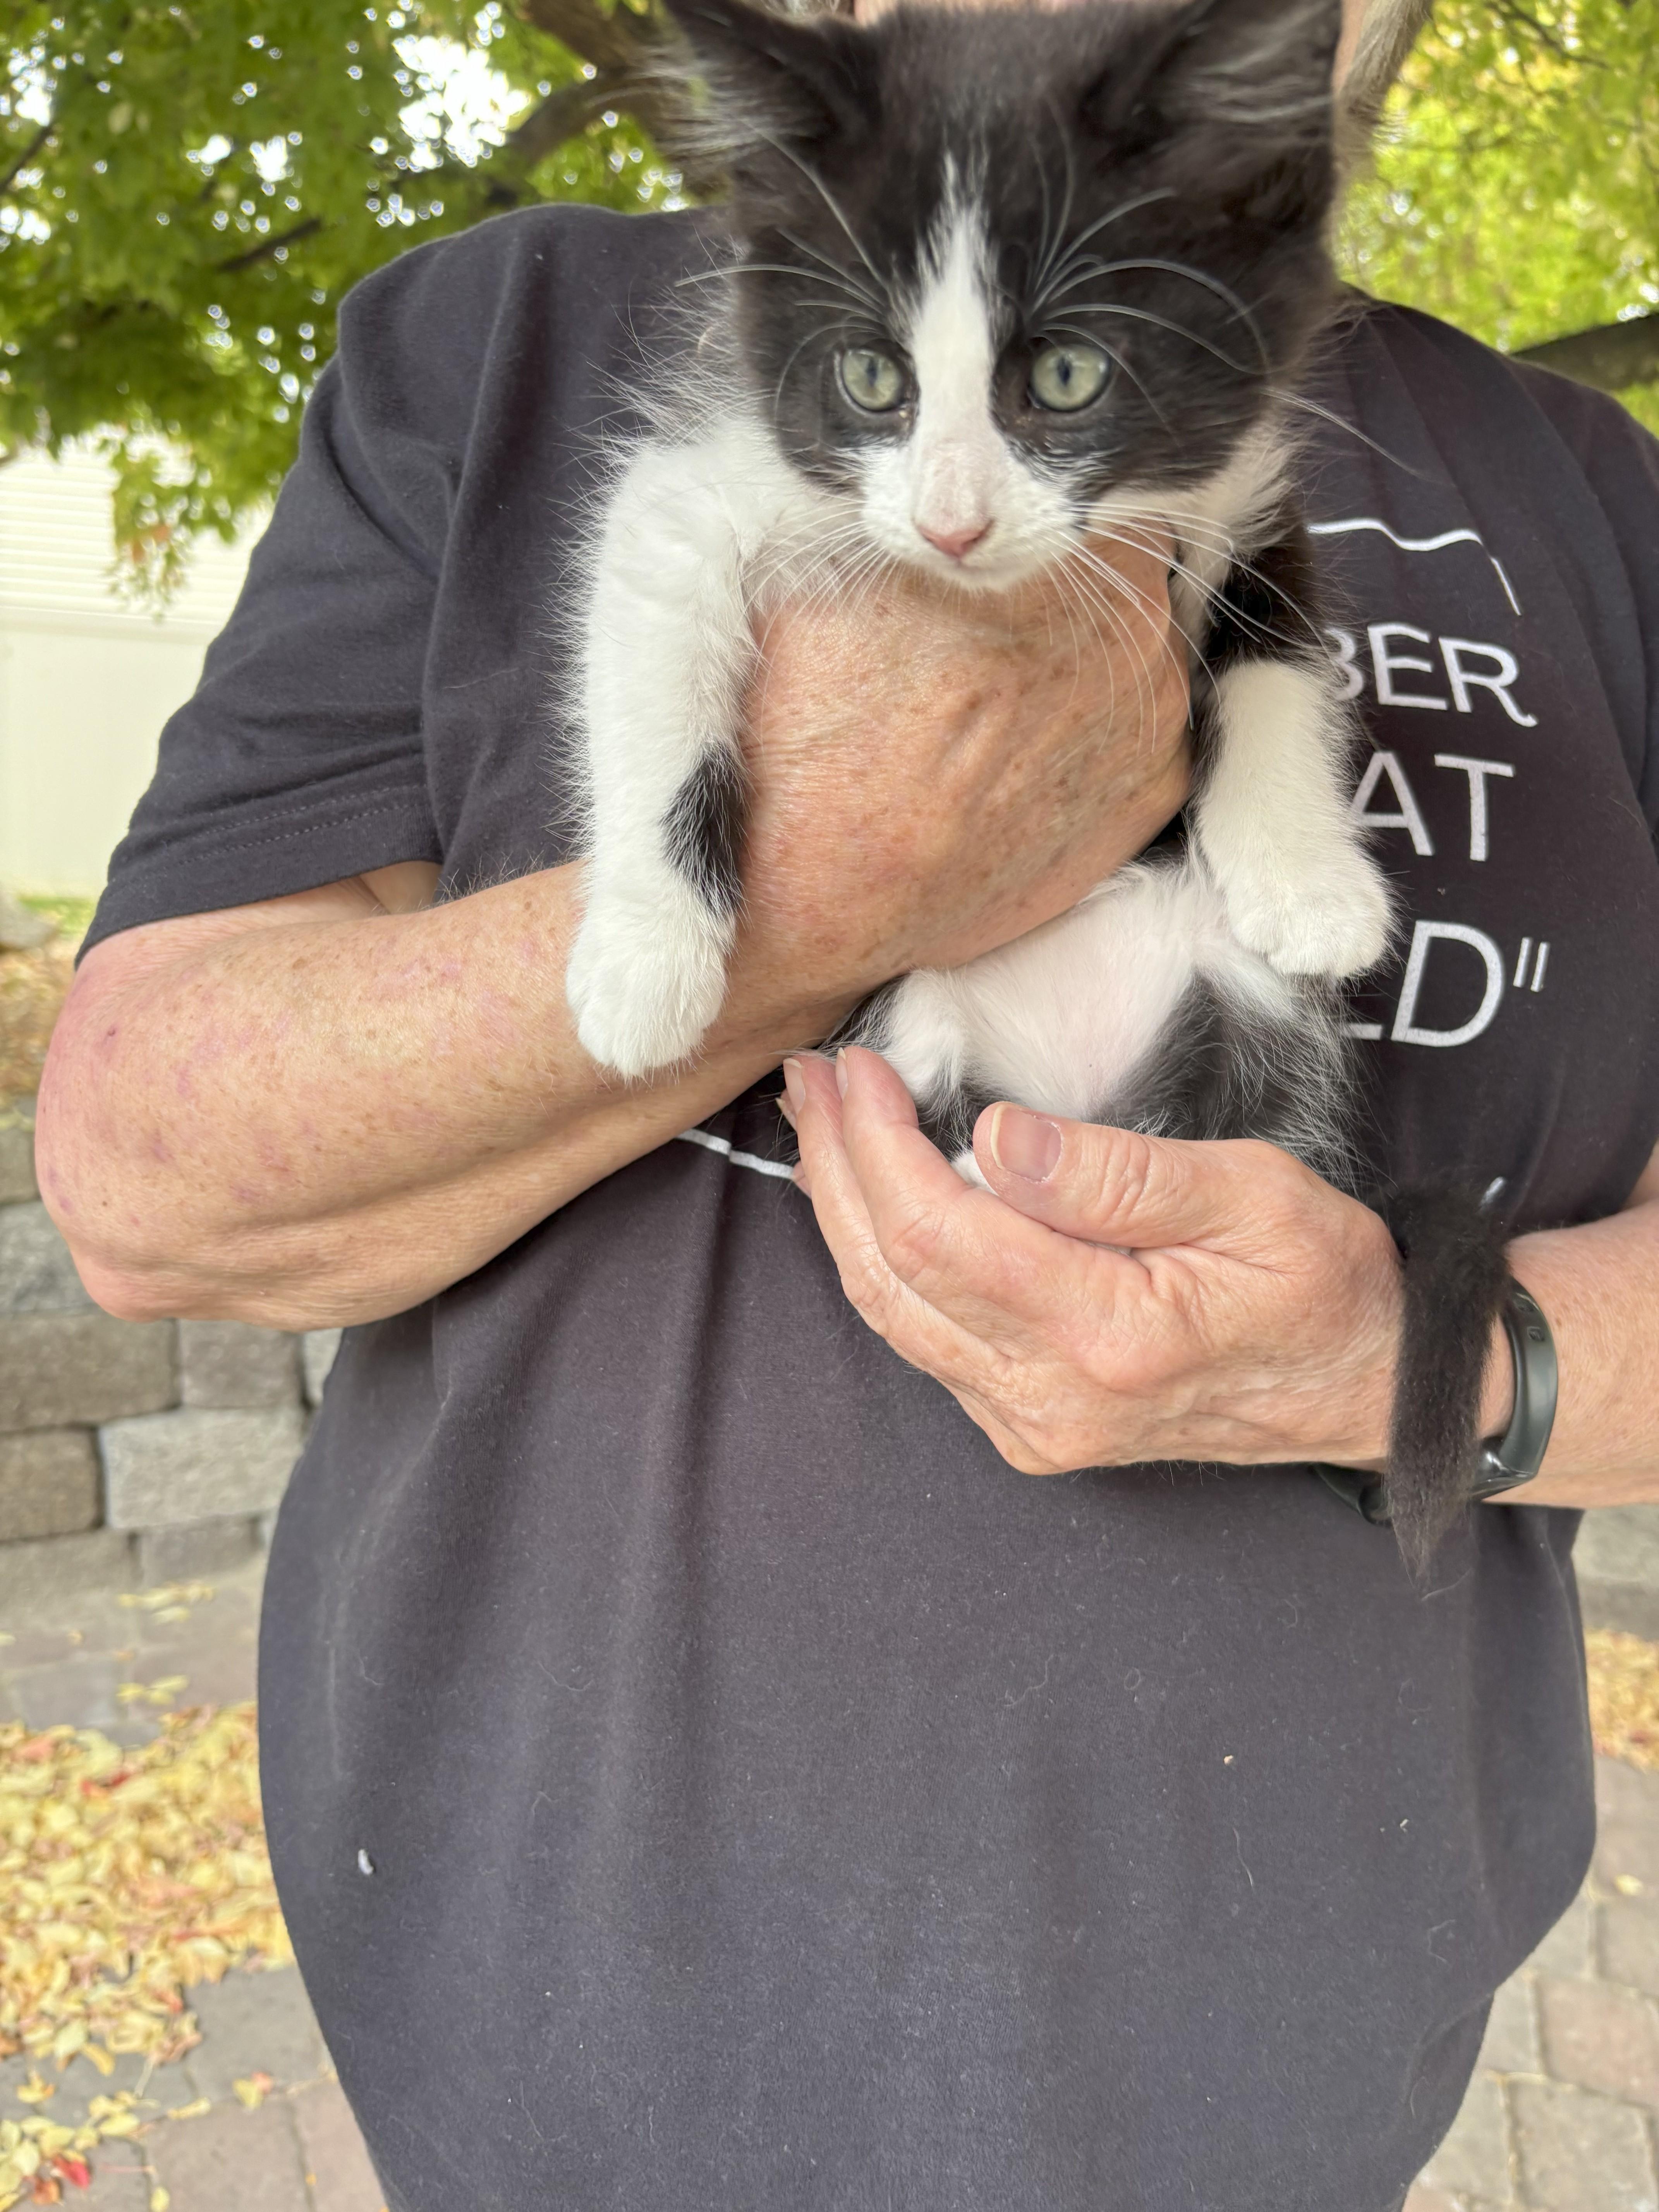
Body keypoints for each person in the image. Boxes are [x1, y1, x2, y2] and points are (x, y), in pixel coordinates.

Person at [34, 0, 1659, 2202]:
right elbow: (142, 1183)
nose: (970, 508)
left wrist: (1416, 1361)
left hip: (1298, 2097)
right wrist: (823, 890)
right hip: (541, 2101)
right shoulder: (503, 345)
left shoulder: (1595, 493)